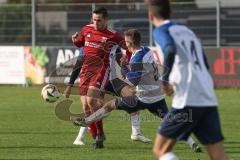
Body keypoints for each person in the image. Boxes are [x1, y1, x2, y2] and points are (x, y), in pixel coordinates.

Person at [72, 28, 201, 152]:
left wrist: (123, 67)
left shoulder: (136, 58)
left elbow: (134, 81)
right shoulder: (147, 50)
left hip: (143, 97)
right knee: (169, 120)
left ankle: (87, 121)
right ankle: (192, 143)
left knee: (110, 105)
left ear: (132, 43)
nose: (125, 44)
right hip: (157, 95)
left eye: (126, 42)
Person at [146, 0, 229, 160]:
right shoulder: (187, 31)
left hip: (188, 99)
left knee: (160, 150)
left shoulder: (161, 30)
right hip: (207, 96)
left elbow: (169, 49)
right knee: (218, 156)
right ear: (171, 13)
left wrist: (164, 80)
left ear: (150, 15)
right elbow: (204, 62)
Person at [64, 7, 149, 148]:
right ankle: (98, 135)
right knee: (86, 105)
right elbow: (81, 43)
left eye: (99, 20)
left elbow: (128, 48)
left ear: (106, 20)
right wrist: (75, 41)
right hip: (86, 71)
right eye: (94, 19)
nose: (96, 23)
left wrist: (127, 59)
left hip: (101, 70)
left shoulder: (113, 35)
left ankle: (101, 131)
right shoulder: (86, 29)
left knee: (91, 100)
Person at [65, 47, 151, 145]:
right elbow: (78, 66)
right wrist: (70, 84)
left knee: (130, 96)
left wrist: (125, 72)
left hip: (111, 80)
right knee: (88, 106)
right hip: (93, 81)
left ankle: (136, 132)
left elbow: (121, 61)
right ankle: (88, 136)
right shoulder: (87, 45)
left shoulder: (113, 43)